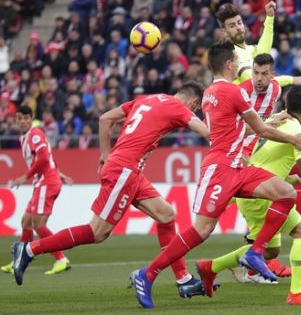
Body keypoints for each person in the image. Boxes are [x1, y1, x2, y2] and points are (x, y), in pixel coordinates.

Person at [128, 41, 301, 309]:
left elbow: (239, 130)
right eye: (238, 63)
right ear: (229, 65)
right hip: (220, 169)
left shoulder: (210, 93)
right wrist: (291, 139)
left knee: (286, 193)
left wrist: (265, 124)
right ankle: (146, 274)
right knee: (201, 230)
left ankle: (255, 252)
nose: (241, 67)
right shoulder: (233, 92)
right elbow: (259, 129)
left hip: (238, 166)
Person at [11, 82, 218, 298]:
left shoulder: (148, 99)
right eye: (195, 109)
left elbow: (106, 118)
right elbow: (207, 132)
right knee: (97, 232)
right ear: (193, 103)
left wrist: (104, 154)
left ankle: (183, 280)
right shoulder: (178, 107)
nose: (192, 112)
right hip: (125, 170)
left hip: (131, 170)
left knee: (166, 215)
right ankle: (28, 250)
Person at [195, 85, 301, 305]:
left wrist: (287, 178)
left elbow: (261, 153)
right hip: (262, 193)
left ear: (286, 104)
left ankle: (210, 267)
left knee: (272, 250)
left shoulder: (274, 119)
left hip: (254, 188)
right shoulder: (299, 133)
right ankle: (297, 294)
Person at [237, 53, 301, 281]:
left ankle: (215, 266)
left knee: (271, 249)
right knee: (205, 227)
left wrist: (293, 78)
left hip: (253, 173)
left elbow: (279, 83)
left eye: (264, 74)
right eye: (256, 73)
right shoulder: (297, 131)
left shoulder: (276, 105)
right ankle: (293, 290)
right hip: (247, 172)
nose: (259, 78)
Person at [1, 106, 72, 275]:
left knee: (39, 225)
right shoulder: (24, 137)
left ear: (31, 118)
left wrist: (26, 177)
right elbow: (49, 156)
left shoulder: (34, 134)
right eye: (19, 118)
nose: (22, 121)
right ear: (16, 120)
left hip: (46, 183)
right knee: (26, 221)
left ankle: (61, 259)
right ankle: (18, 261)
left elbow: (44, 158)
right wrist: (59, 173)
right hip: (43, 182)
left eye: (26, 118)